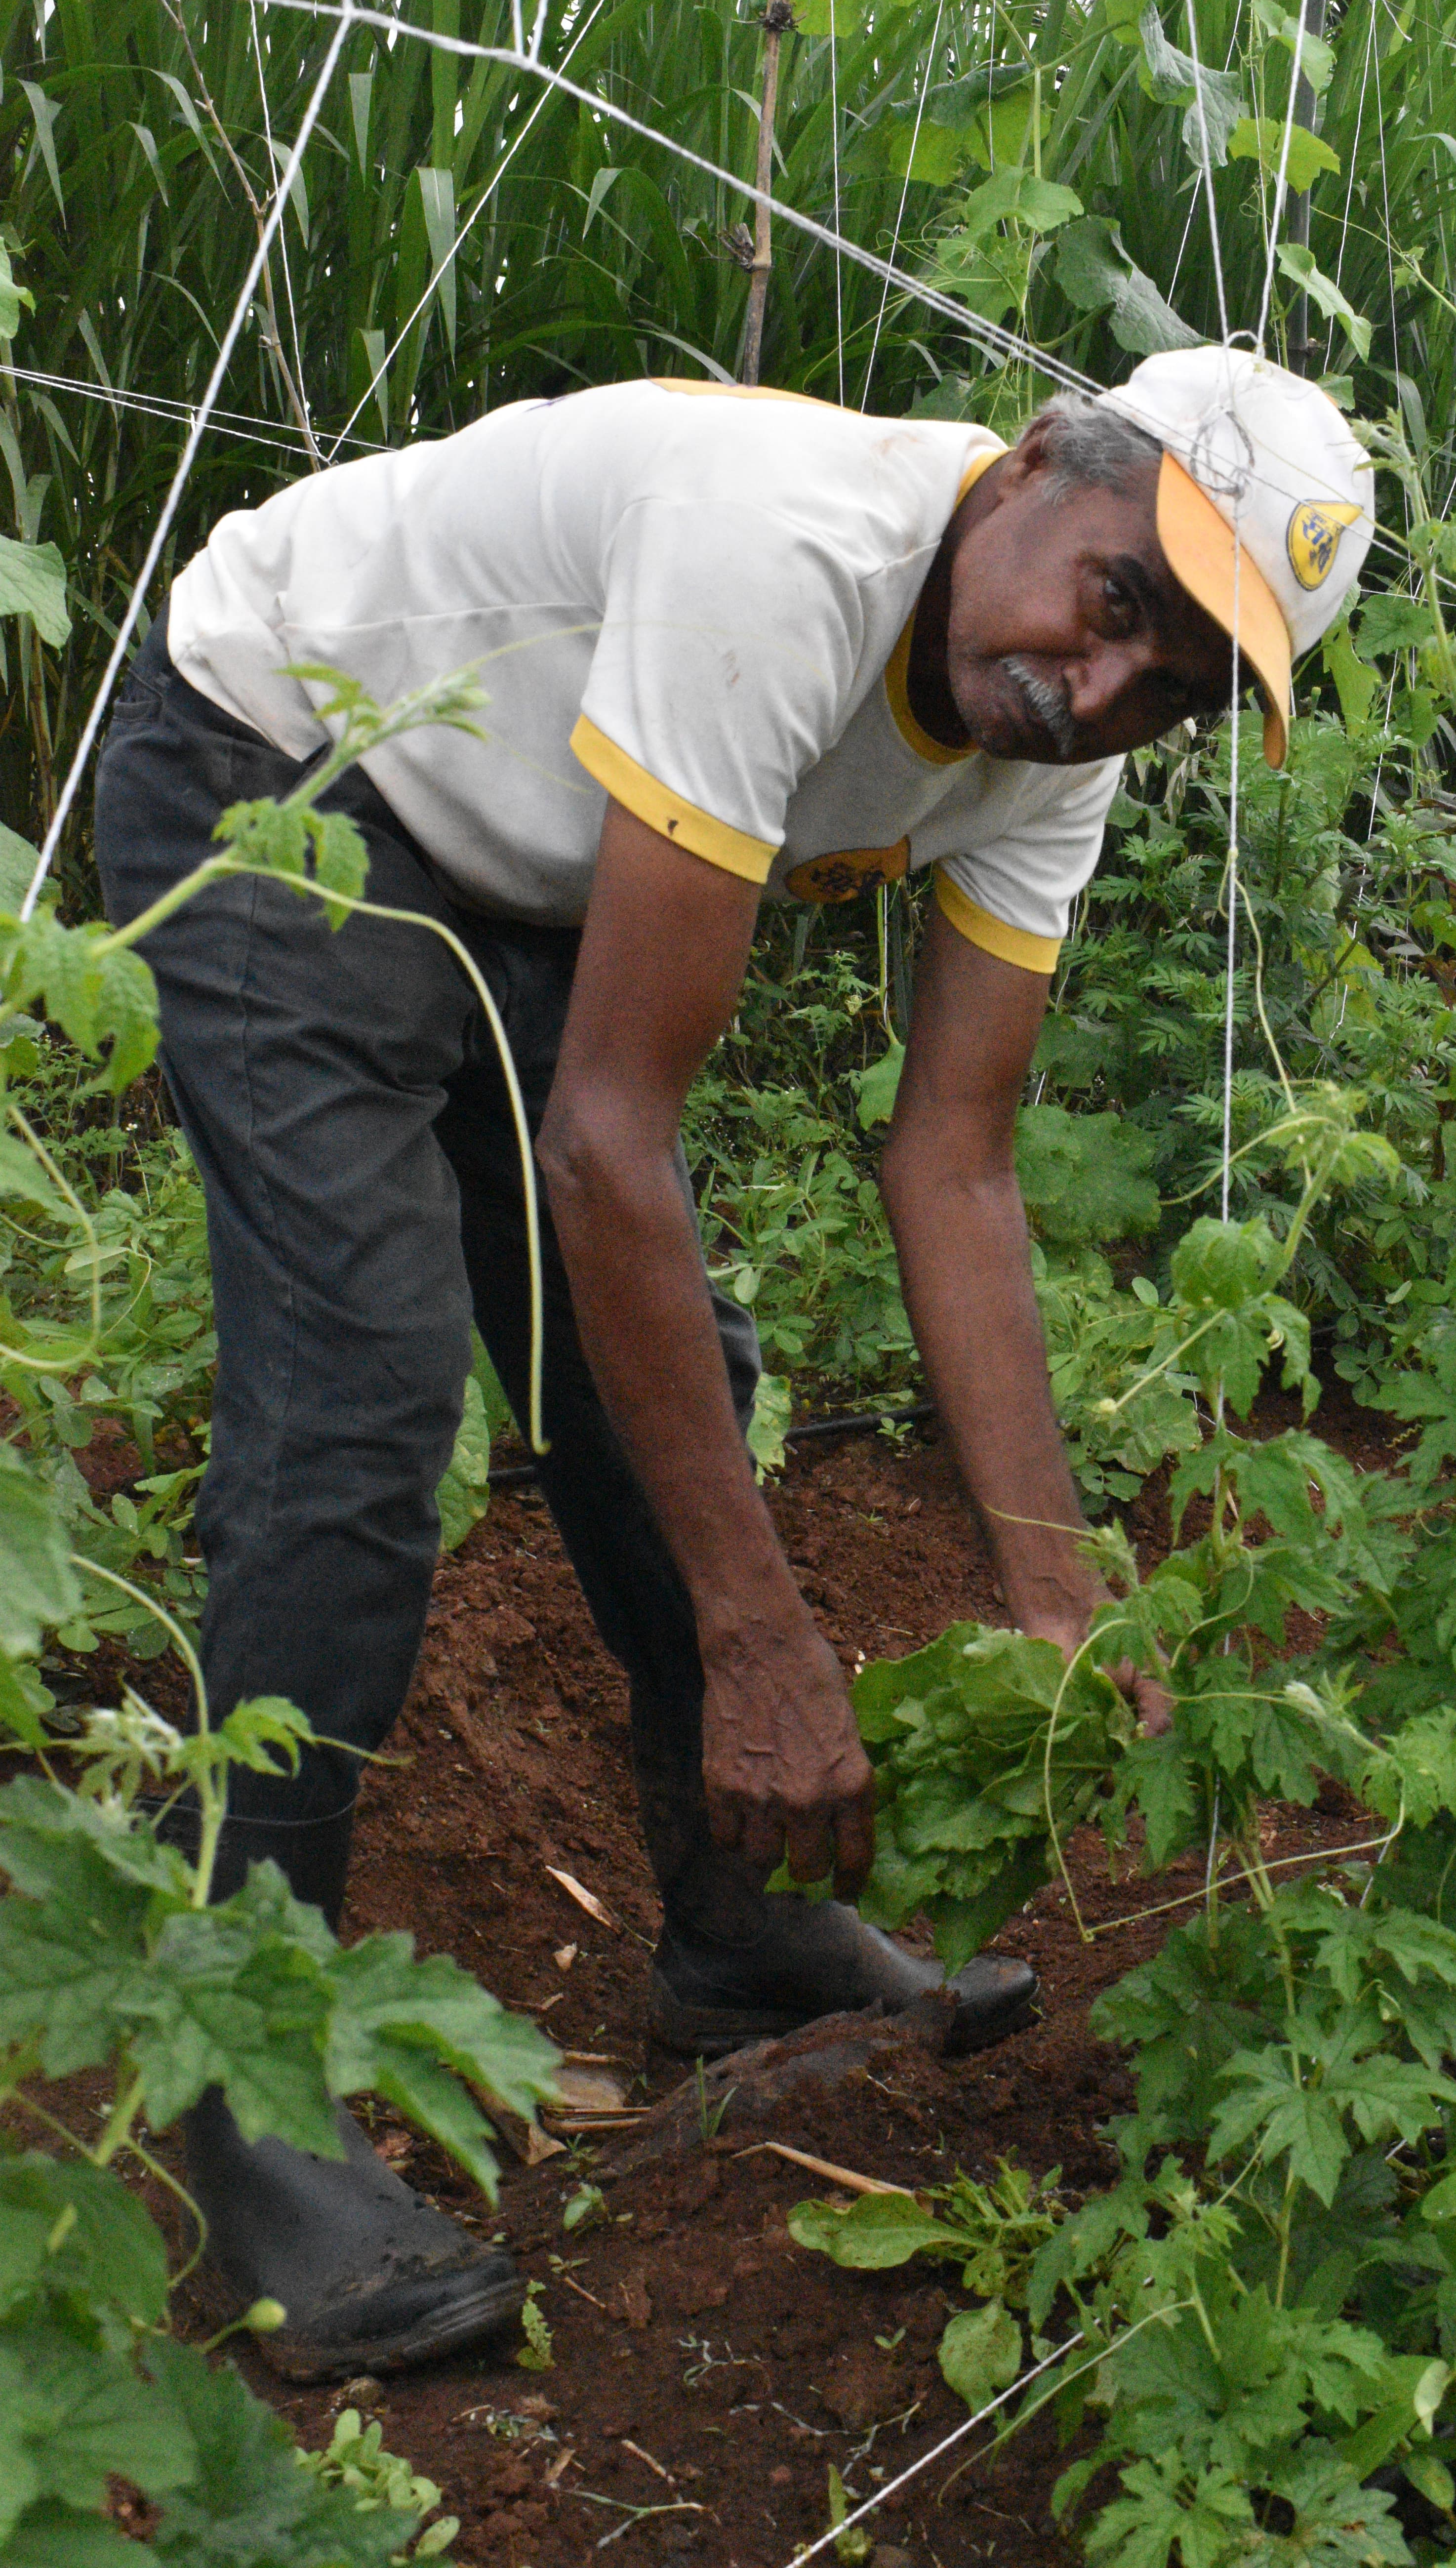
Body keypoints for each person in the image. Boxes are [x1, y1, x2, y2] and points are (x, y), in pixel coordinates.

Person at [93, 343, 1373, 2379]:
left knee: (666, 1368)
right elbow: (609, 1144)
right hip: (289, 759)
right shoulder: (785, 553)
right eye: (1120, 602)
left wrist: (1060, 1584)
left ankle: (735, 1925)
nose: (1107, 687)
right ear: (1037, 464)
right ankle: (238, 2083)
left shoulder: (1062, 752)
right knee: (359, 1401)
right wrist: (764, 1638)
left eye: (1185, 685)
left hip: (518, 863)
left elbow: (956, 1164)